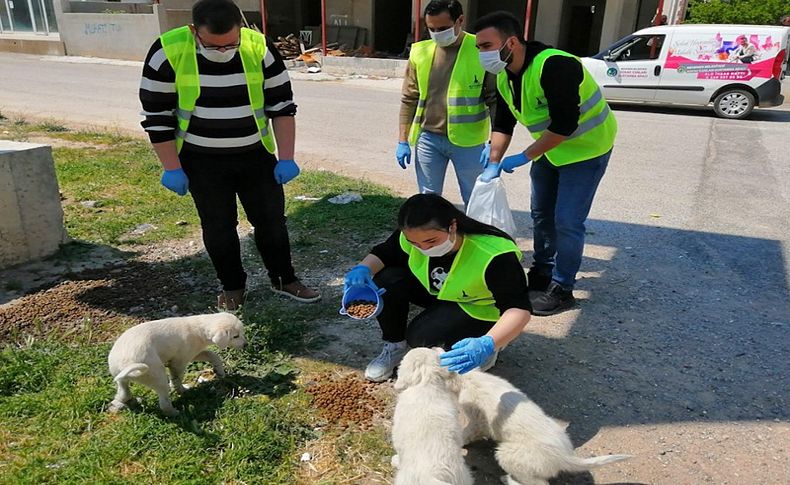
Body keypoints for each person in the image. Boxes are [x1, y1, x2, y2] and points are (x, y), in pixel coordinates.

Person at [139, 0, 320, 309]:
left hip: (255, 156)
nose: (223, 52)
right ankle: (232, 286)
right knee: (218, 226)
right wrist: (172, 167)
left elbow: (282, 105)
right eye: (213, 46)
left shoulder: (258, 46)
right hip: (200, 160)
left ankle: (284, 279)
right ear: (194, 31)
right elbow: (157, 116)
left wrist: (286, 157)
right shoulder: (166, 51)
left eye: (230, 45)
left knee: (272, 223)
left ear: (241, 27)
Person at [474, 11, 617, 316]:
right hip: (551, 151)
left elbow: (565, 124)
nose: (482, 53)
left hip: (587, 150)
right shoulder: (503, 76)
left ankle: (563, 288)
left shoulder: (555, 65)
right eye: (479, 48)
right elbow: (503, 122)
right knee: (541, 215)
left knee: (567, 221)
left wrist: (524, 156)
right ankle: (542, 272)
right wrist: (494, 157)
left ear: (510, 41)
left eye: (486, 46)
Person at [344, 194, 532, 382]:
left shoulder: (494, 255)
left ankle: (491, 342)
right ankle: (395, 346)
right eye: (414, 244)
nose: (423, 248)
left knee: (421, 338)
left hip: (480, 306)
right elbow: (386, 252)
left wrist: (487, 344)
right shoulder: (412, 235)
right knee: (387, 280)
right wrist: (363, 269)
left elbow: (519, 309)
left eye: (431, 242)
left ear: (453, 226)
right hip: (443, 291)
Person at [397, 0, 498, 206]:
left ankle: (477, 237)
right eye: (431, 29)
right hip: (428, 139)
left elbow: (495, 100)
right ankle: (437, 238)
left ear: (460, 20)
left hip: (468, 143)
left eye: (443, 28)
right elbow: (409, 98)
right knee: (428, 199)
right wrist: (402, 141)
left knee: (475, 200)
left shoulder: (480, 49)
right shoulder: (420, 52)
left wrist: (493, 144)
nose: (437, 34)